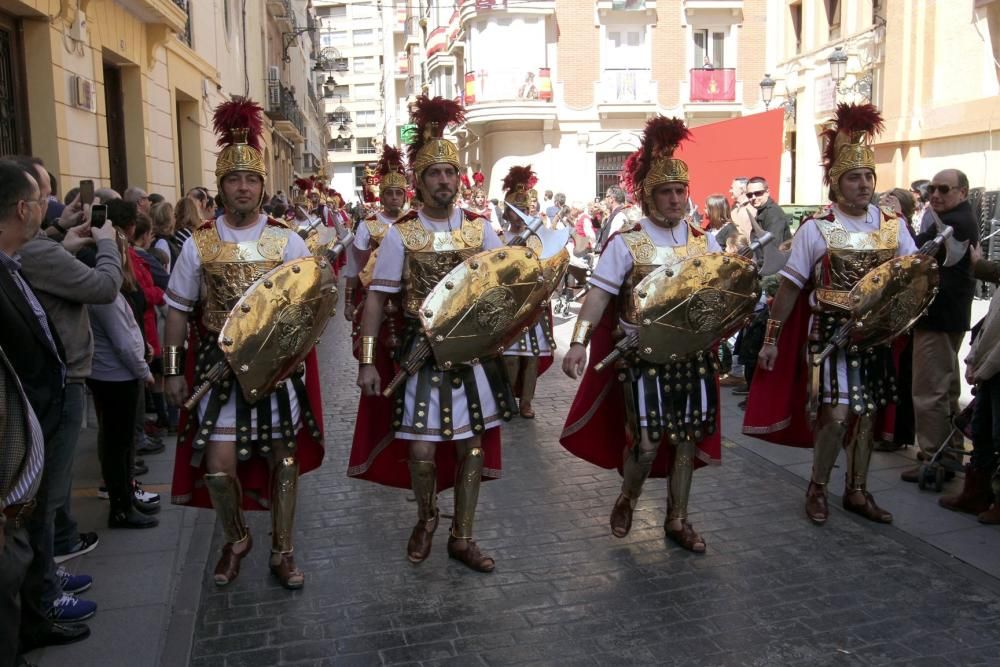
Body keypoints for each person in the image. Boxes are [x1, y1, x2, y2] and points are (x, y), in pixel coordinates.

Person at [163, 98, 325, 590]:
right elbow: (176, 309)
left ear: (261, 186)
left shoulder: (287, 241)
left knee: (284, 461)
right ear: (221, 185)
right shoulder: (200, 243)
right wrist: (172, 370)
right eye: (234, 180)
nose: (243, 187)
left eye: (251, 180)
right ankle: (236, 540)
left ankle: (282, 549)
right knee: (218, 467)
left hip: (274, 368)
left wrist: (286, 354)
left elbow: (308, 309)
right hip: (218, 365)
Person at [350, 95, 512, 572]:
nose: (444, 181)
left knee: (473, 447)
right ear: (419, 182)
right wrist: (364, 361)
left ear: (458, 180)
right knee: (421, 450)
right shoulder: (402, 234)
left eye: (450, 173)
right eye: (434, 173)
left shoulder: (481, 231)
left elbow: (503, 290)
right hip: (419, 354)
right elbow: (377, 298)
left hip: (471, 359)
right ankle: (426, 517)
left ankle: (464, 537)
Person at [744, 103, 918, 525]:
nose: (863, 185)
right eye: (854, 177)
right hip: (831, 334)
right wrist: (770, 340)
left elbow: (914, 276)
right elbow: (789, 288)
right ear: (836, 183)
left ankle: (857, 490)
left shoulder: (893, 225)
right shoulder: (816, 228)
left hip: (875, 334)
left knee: (868, 413)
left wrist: (903, 315)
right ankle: (818, 486)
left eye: (868, 177)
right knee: (836, 414)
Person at [560, 117, 723, 553]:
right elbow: (597, 296)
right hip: (643, 356)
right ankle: (629, 496)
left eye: (680, 191)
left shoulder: (704, 243)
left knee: (686, 439)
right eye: (665, 192)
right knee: (648, 443)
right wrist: (578, 341)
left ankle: (678, 518)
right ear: (650, 196)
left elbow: (722, 295)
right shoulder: (626, 243)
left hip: (691, 355)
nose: (674, 199)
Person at [0, 160, 91, 655]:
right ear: (21, 209)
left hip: (40, 413)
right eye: (40, 202)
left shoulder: (15, 260)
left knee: (38, 521)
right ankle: (34, 615)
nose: (46, 209)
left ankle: (37, 608)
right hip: (21, 428)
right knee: (28, 528)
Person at [899, 169, 979, 484]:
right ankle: (949, 452)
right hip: (946, 317)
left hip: (939, 318)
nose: (935, 194)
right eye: (931, 188)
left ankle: (933, 458)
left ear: (962, 192)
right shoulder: (953, 217)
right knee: (944, 388)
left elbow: (916, 252)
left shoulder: (955, 223)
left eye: (943, 189)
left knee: (929, 390)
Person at [86, 231, 158, 529]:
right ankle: (121, 506)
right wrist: (144, 370)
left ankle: (127, 496)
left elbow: (128, 332)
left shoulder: (112, 290)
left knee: (125, 443)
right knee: (119, 445)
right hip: (116, 377)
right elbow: (121, 342)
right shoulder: (103, 294)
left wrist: (144, 347)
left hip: (119, 374)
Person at [500, 166, 555, 420]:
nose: (520, 216)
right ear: (507, 212)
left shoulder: (539, 237)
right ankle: (509, 398)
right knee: (510, 357)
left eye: (524, 211)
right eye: (514, 211)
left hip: (534, 303)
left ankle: (527, 402)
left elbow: (550, 265)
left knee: (532, 356)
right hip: (509, 304)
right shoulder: (499, 238)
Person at [344, 144, 407, 329]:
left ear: (404, 197)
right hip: (375, 295)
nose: (394, 197)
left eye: (398, 193)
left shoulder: (414, 223)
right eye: (389, 193)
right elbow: (355, 267)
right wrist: (349, 302)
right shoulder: (367, 225)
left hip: (409, 298)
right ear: (382, 197)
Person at [745, 176, 791, 275]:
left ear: (767, 192)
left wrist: (757, 270)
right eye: (749, 195)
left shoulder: (773, 213)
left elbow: (773, 247)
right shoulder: (762, 211)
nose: (753, 198)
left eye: (758, 193)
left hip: (776, 272)